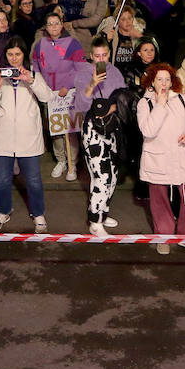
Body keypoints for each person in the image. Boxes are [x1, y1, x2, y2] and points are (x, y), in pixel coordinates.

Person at [0, 35, 55, 232]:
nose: (14, 58)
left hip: (28, 137)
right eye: (10, 54)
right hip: (3, 137)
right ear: (5, 56)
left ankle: (38, 213)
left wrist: (31, 81)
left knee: (33, 179)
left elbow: (48, 97)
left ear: (24, 55)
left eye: (18, 54)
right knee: (3, 179)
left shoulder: (33, 74)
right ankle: (2, 211)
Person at [138, 62, 185, 254]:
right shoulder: (145, 103)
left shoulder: (182, 99)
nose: (164, 83)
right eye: (159, 79)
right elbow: (148, 131)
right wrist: (160, 105)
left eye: (167, 79)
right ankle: (163, 237)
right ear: (152, 81)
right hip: (157, 159)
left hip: (182, 155)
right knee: (159, 200)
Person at [77, 36, 130, 230]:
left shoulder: (115, 72)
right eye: (97, 56)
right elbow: (80, 106)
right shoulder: (83, 74)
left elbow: (123, 99)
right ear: (91, 55)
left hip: (112, 127)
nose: (101, 59)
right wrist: (91, 84)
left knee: (113, 175)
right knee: (101, 176)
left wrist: (112, 108)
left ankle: (102, 211)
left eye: (104, 55)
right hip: (92, 130)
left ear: (109, 54)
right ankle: (95, 221)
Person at [32, 10, 85, 181]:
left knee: (70, 129)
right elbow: (35, 64)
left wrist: (67, 86)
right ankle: (61, 160)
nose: (54, 27)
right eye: (50, 24)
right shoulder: (40, 44)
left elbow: (80, 67)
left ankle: (73, 163)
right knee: (55, 130)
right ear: (46, 27)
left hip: (68, 93)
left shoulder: (73, 43)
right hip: (50, 94)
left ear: (62, 25)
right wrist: (40, 84)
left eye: (57, 23)